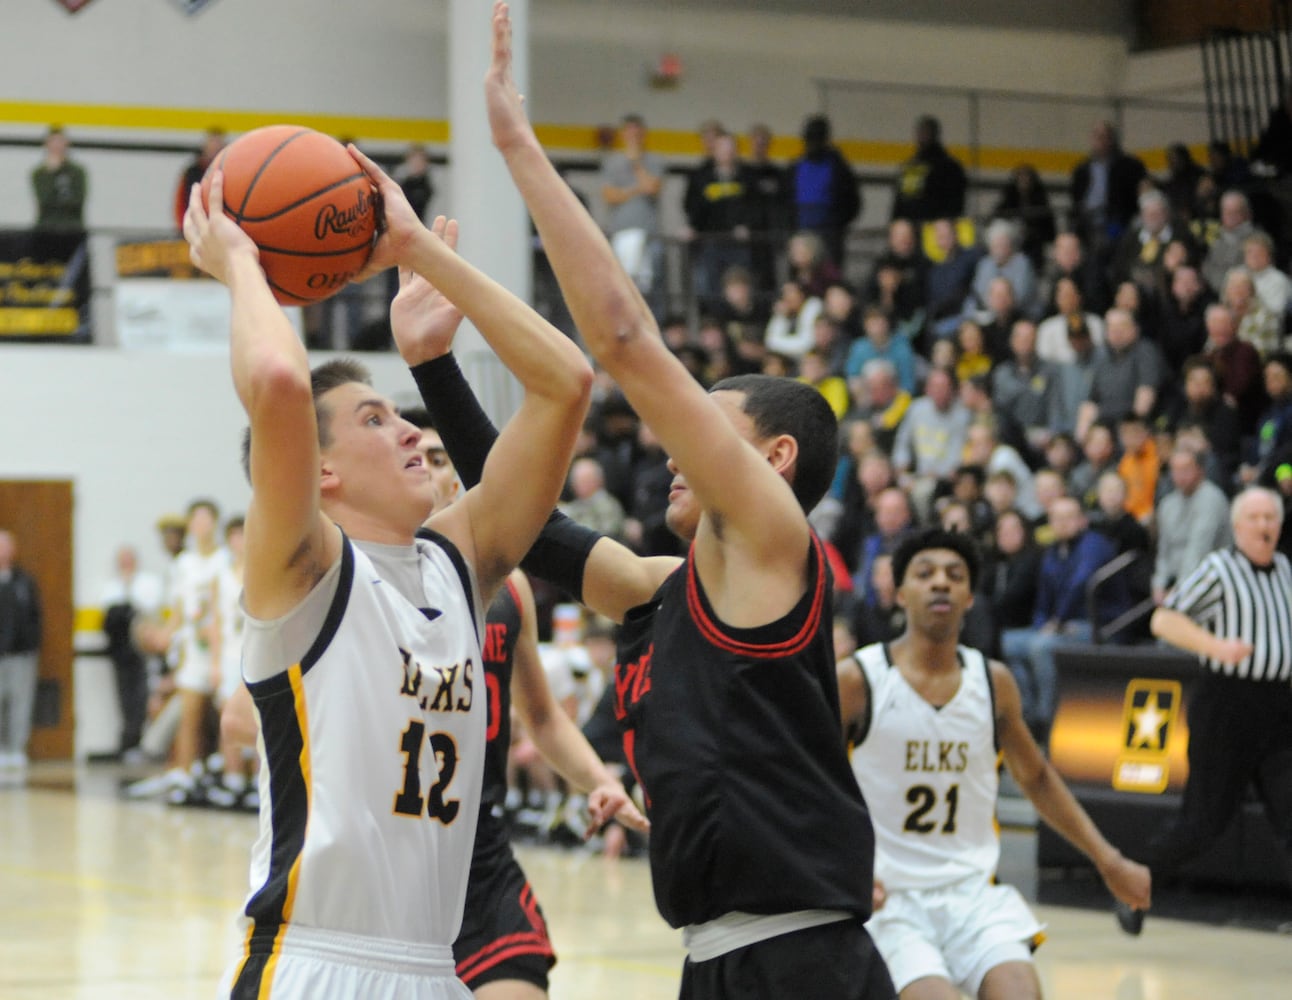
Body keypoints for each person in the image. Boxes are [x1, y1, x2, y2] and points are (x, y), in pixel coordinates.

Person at [416, 10, 896, 997]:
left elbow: (625, 342)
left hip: (800, 957)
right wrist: (433, 367)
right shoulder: (665, 585)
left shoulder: (773, 542)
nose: (677, 459)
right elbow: (527, 526)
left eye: (704, 434)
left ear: (770, 457)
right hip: (714, 959)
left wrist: (517, 150)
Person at [181, 116, 593, 997]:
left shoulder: (459, 561)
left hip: (436, 967)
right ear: (319, 469)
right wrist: (240, 267)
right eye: (376, 418)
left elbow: (566, 382)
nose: (413, 429)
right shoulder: (302, 574)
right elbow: (284, 388)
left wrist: (417, 248)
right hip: (314, 965)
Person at [388, 401, 647, 997]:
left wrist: (597, 781)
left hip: (478, 856)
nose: (427, 470)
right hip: (389, 858)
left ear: (459, 474)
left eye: (438, 457)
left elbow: (543, 717)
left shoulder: (510, 589)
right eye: (414, 458)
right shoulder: (362, 579)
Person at [839, 529, 1151, 998]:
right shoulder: (859, 679)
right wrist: (839, 870)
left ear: (969, 597)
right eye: (925, 574)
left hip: (973, 894)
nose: (940, 583)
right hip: (889, 899)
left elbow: (1038, 777)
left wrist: (1109, 860)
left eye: (954, 575)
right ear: (900, 593)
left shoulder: (993, 682)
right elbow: (806, 778)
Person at [1121, 487, 1292, 935]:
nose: (1263, 525)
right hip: (1227, 705)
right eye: (1254, 517)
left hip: (1279, 708)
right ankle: (1133, 883)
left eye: (1270, 517)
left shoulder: (1287, 571)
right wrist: (1216, 645)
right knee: (1202, 823)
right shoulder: (1219, 569)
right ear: (1237, 527)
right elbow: (1164, 619)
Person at [98, 544, 165, 759]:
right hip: (121, 651)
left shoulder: (149, 583)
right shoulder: (111, 587)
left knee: (144, 695)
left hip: (143, 651)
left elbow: (148, 610)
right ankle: (128, 739)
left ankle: (144, 742)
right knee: (125, 697)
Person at [600, 113, 665, 304]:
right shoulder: (612, 162)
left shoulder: (654, 161)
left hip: (648, 233)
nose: (633, 137)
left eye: (637, 133)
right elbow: (610, 196)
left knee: (649, 286)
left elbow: (653, 188)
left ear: (644, 134)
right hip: (621, 231)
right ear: (623, 134)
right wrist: (637, 189)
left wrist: (636, 163)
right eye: (629, 133)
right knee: (623, 286)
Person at [789, 113, 861, 268]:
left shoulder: (837, 167)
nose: (813, 144)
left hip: (830, 234)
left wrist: (839, 225)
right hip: (803, 232)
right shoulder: (797, 166)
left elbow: (852, 200)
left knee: (830, 274)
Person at [0, 530, 42, 785]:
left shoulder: (24, 581)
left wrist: (31, 644)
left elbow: (35, 617)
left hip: (21, 654)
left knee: (20, 703)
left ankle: (17, 749)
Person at [891, 115, 967, 225]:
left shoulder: (948, 167)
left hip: (935, 228)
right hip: (909, 228)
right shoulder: (911, 165)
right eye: (920, 132)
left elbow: (955, 202)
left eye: (925, 132)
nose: (921, 136)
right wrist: (896, 223)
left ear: (935, 134)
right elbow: (901, 200)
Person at [31, 126, 87, 231]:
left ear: (66, 144)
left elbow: (77, 201)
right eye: (53, 142)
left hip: (73, 228)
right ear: (47, 145)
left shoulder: (77, 172)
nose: (57, 146)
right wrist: (51, 173)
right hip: (46, 228)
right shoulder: (39, 173)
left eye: (60, 141)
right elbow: (44, 201)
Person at [173, 128, 226, 232]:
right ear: (205, 146)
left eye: (217, 144)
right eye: (212, 143)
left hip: (221, 229)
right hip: (194, 227)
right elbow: (180, 201)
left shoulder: (228, 171)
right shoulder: (192, 172)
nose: (214, 147)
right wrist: (183, 226)